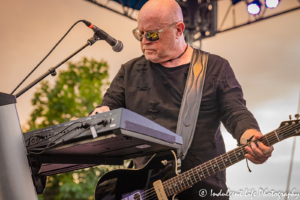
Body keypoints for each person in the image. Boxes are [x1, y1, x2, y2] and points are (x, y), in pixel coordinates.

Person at [91, 0, 274, 199]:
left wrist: (251, 138)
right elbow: (108, 107)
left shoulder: (214, 68)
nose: (144, 41)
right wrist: (99, 115)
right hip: (141, 190)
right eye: (139, 34)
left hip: (202, 190)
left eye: (152, 34)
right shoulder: (130, 71)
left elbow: (235, 112)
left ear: (178, 30)